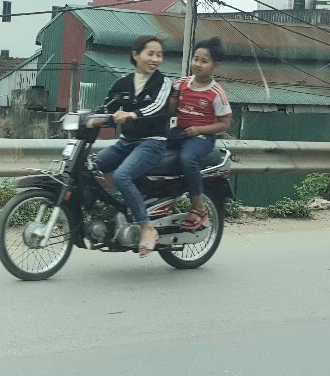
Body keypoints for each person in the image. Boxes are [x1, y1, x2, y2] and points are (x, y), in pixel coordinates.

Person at [92, 35, 174, 258]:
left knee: (122, 176)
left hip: (152, 143)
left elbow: (157, 107)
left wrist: (132, 114)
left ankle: (146, 227)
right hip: (127, 143)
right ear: (136, 55)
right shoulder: (123, 83)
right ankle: (109, 212)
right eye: (151, 53)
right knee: (92, 166)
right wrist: (82, 117)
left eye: (159, 55)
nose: (156, 59)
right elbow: (106, 108)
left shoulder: (163, 83)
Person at [168, 37, 232, 231]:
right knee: (148, 146)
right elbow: (171, 111)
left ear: (215, 66)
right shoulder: (182, 83)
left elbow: (225, 124)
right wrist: (174, 95)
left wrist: (199, 130)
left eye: (204, 61)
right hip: (178, 132)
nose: (197, 64)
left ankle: (198, 207)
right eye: (196, 59)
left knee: (187, 159)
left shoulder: (216, 93)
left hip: (201, 138)